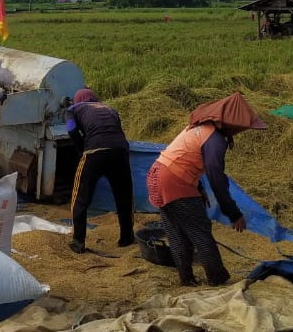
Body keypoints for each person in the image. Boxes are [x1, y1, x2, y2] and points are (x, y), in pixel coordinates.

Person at [146, 92, 266, 286]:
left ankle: (186, 279)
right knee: (200, 230)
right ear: (229, 124)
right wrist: (233, 213)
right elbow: (216, 178)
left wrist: (198, 188)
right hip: (174, 181)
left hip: (157, 176)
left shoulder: (199, 129)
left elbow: (184, 158)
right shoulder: (215, 140)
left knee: (177, 231)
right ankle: (217, 279)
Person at [66, 88, 134, 254]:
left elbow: (71, 130)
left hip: (94, 151)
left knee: (80, 197)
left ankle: (78, 241)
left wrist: (82, 150)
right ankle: (127, 237)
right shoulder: (110, 109)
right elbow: (117, 130)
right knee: (124, 195)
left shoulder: (72, 110)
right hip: (120, 151)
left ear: (77, 100)